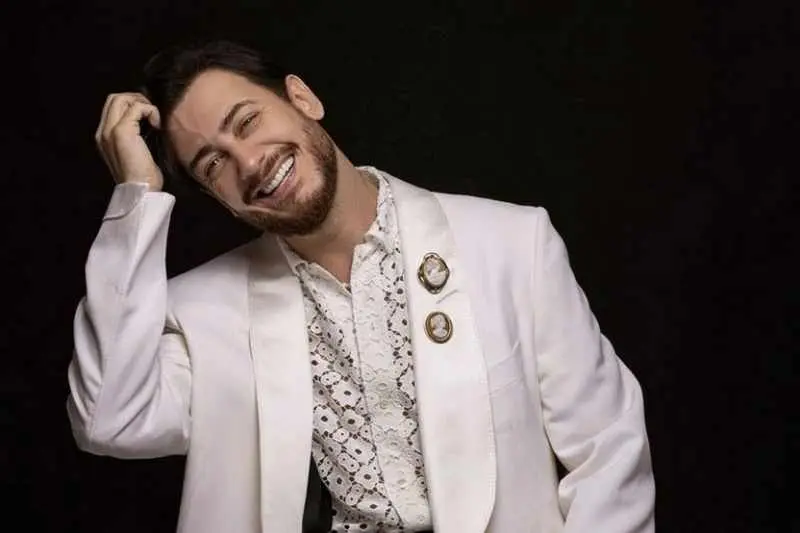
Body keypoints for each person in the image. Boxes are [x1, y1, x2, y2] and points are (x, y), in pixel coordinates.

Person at [67, 40, 655, 533]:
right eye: (212, 164)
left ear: (302, 98)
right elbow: (109, 418)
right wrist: (136, 197)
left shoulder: (512, 243)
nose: (249, 163)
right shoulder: (203, 312)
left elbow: (607, 449)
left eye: (247, 122)